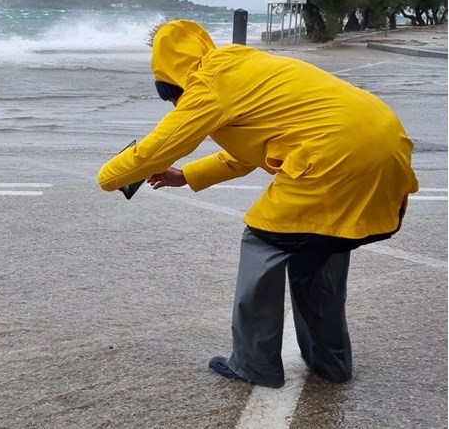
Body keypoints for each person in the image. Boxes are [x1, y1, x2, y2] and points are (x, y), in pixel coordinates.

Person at [97, 20, 418, 388]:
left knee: (263, 242)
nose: (173, 104)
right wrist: (187, 176)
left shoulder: (207, 85)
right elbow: (253, 150)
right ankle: (331, 362)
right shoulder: (246, 64)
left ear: (171, 80)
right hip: (386, 142)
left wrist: (108, 177)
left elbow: (158, 147)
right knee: (321, 243)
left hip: (333, 158)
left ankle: (254, 365)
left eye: (170, 97)